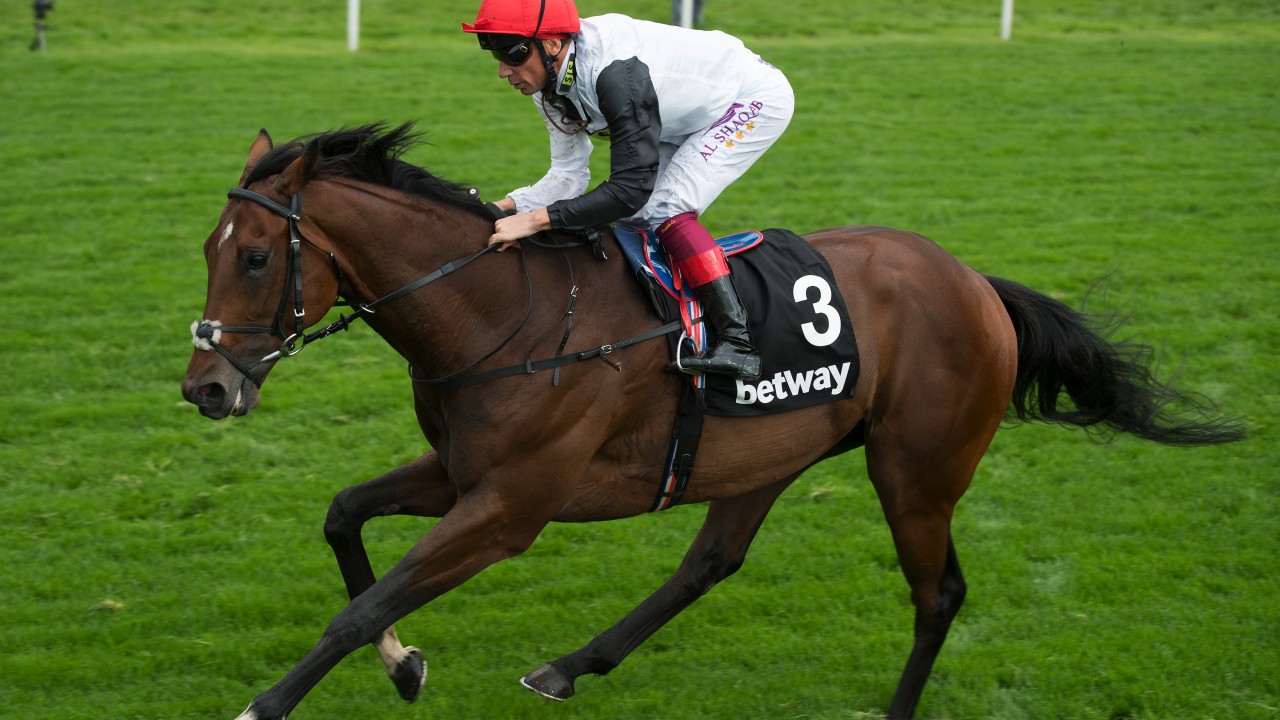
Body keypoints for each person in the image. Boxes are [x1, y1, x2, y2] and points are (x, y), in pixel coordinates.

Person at [462, 0, 794, 381]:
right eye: (496, 55)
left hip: (749, 98)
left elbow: (630, 188)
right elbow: (567, 177)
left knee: (666, 208)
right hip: (678, 115)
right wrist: (500, 209)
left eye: (513, 53)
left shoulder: (615, 74)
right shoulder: (549, 85)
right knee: (633, 223)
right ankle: (664, 329)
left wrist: (536, 220)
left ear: (552, 43)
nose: (504, 70)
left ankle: (739, 343)